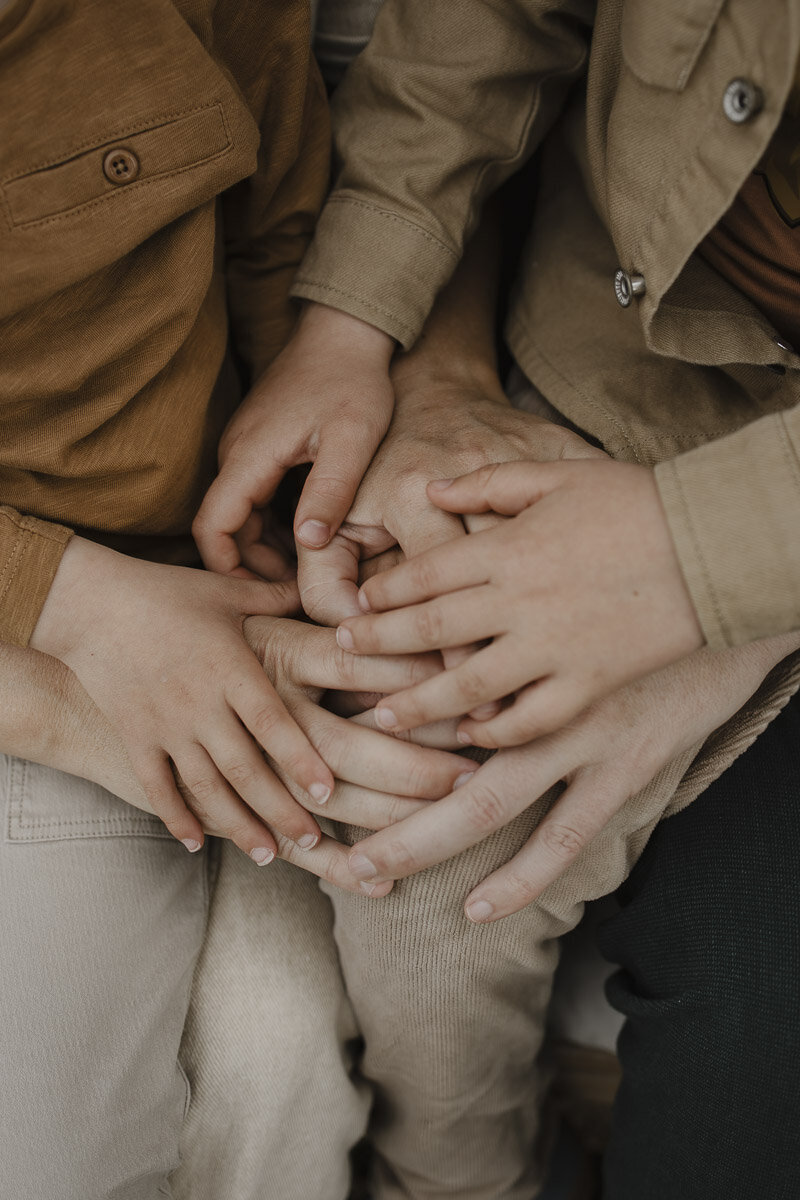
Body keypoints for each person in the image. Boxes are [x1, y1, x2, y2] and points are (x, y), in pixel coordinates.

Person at [188, 1, 800, 1197]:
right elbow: (491, 24)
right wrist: (362, 323)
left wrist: (700, 566)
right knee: (432, 809)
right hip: (607, 370)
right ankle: (459, 1176)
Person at [0, 2, 475, 1195]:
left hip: (207, 576)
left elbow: (274, 209)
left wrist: (316, 493)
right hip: (49, 637)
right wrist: (74, 626)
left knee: (284, 1063)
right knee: (57, 1147)